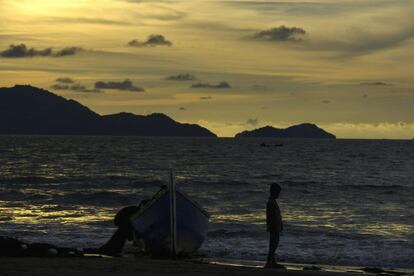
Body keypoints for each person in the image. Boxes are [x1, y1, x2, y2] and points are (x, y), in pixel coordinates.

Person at [264, 183, 285, 269]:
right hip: (274, 227)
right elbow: (272, 217)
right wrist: (275, 227)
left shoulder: (272, 202)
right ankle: (269, 262)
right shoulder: (271, 203)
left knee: (274, 244)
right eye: (278, 192)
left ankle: (272, 261)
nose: (278, 194)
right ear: (274, 192)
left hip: (275, 227)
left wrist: (280, 225)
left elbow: (276, 215)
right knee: (273, 245)